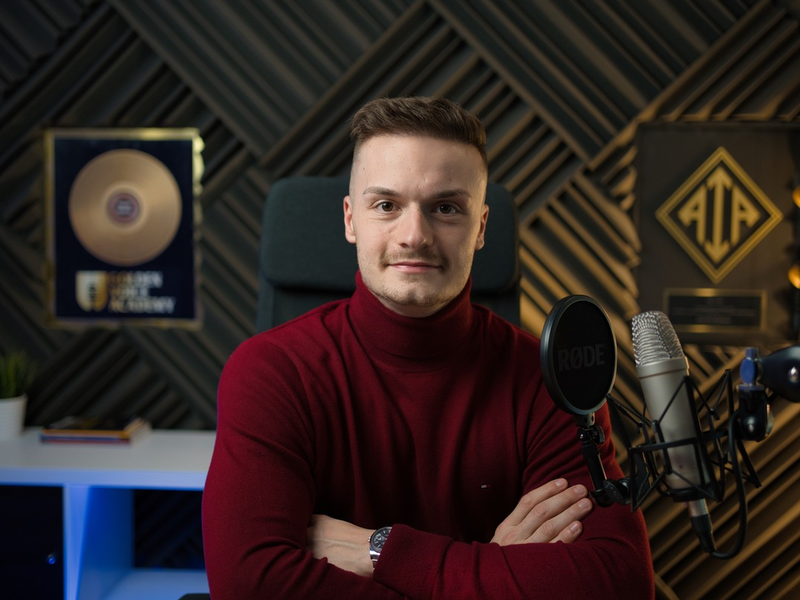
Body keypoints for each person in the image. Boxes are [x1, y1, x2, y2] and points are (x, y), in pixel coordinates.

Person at [202, 96, 654, 599]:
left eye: (445, 208)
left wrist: (381, 550)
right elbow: (247, 585)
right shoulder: (271, 372)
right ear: (352, 220)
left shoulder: (549, 379)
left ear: (480, 227)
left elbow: (619, 583)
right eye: (387, 206)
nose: (414, 235)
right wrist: (494, 566)